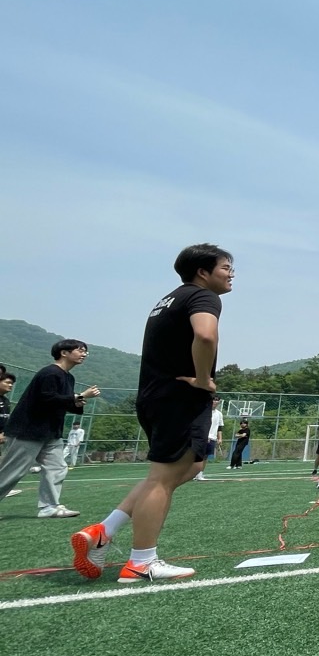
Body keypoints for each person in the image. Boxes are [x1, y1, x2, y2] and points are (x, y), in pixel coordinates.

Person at [71, 243, 233, 583]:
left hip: (156, 396)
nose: (231, 274)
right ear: (203, 272)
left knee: (190, 466)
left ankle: (104, 530)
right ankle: (141, 562)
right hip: (180, 397)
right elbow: (206, 335)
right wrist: (203, 379)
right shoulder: (203, 296)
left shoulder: (169, 299)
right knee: (163, 478)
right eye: (225, 267)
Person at [0, 339, 101, 516]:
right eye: (80, 350)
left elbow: (62, 402)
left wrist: (77, 401)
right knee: (13, 470)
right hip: (29, 430)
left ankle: (49, 507)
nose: (84, 354)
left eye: (85, 351)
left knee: (57, 467)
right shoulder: (50, 373)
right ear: (64, 353)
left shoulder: (68, 377)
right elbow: (47, 398)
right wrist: (78, 396)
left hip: (51, 432)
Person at [194, 395, 223, 481]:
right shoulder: (204, 411)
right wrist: (204, 435)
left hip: (212, 438)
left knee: (205, 457)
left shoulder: (219, 414)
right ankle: (192, 473)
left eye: (217, 400)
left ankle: (200, 474)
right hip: (202, 437)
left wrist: (220, 438)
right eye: (213, 399)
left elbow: (220, 427)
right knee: (196, 456)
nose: (215, 401)